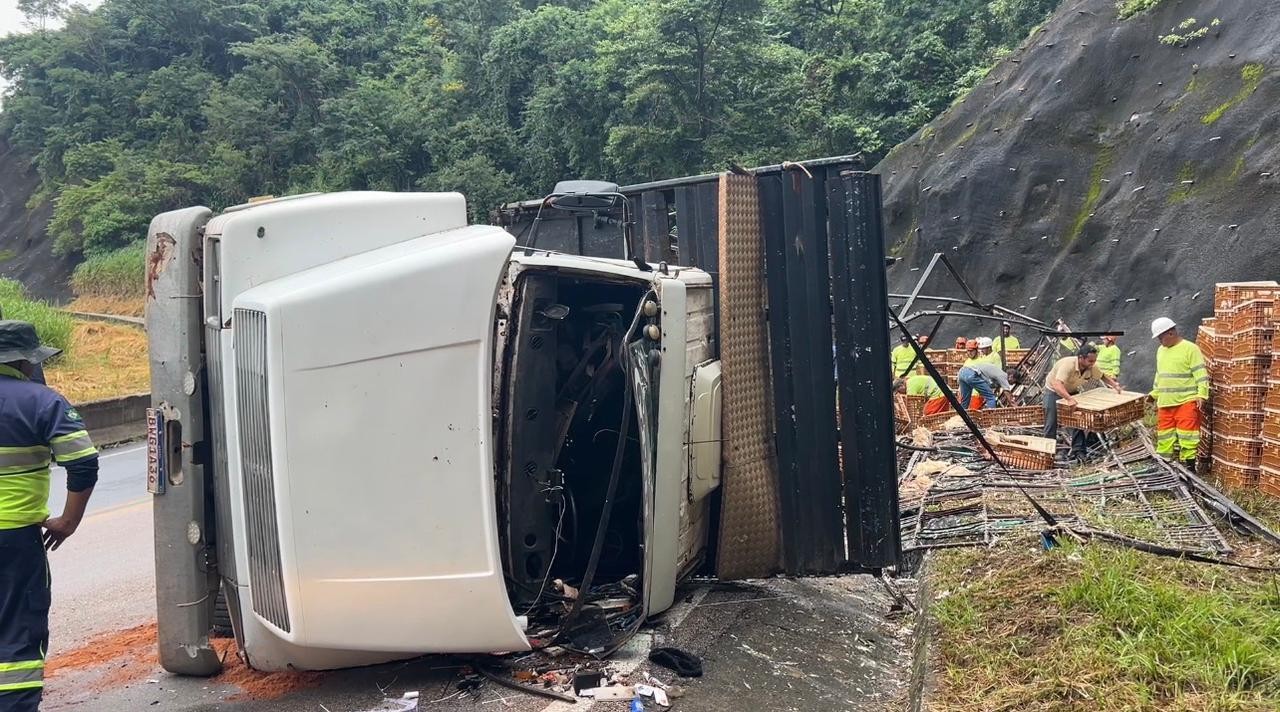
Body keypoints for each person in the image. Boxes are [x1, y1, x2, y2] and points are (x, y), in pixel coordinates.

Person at [0, 320, 99, 711]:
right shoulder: (43, 402)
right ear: (26, 361)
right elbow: (83, 464)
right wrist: (67, 522)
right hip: (15, 540)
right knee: (18, 632)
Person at [1043, 343, 1122, 461]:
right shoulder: (1067, 365)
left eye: (1094, 361)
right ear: (1081, 358)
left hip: (1071, 391)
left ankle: (1078, 451)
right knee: (1051, 422)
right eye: (1090, 361)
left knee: (1077, 421)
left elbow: (1102, 376)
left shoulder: (1091, 367)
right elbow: (1057, 384)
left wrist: (1115, 385)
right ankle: (1047, 454)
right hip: (1053, 391)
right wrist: (1069, 399)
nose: (1093, 363)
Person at [1150, 317, 1208, 466]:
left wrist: (1202, 394)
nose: (1159, 341)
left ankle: (1189, 465)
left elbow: (1200, 373)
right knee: (1164, 435)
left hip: (1185, 401)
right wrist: (1154, 393)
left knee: (1188, 435)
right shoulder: (1160, 351)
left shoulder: (1190, 349)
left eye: (1160, 337)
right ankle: (1164, 463)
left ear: (1170, 333)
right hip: (1165, 402)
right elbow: (1160, 374)